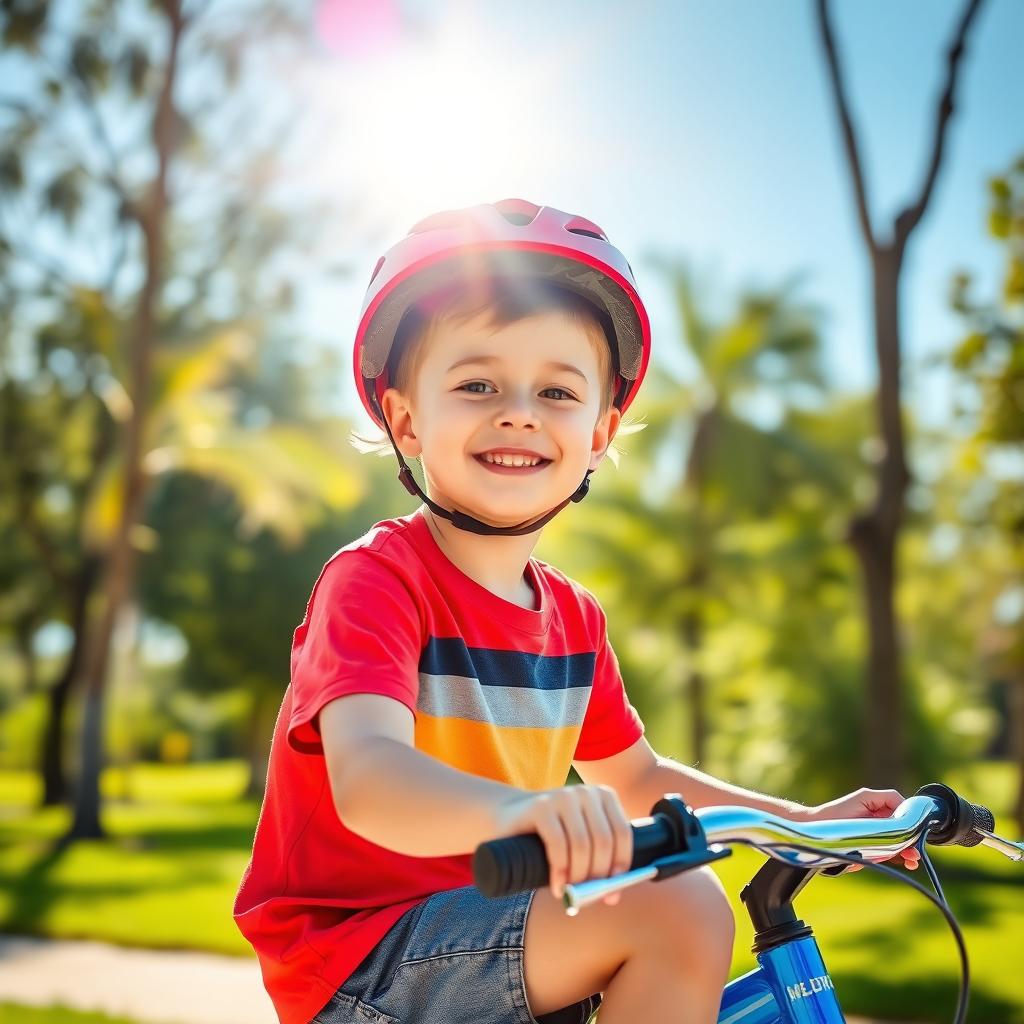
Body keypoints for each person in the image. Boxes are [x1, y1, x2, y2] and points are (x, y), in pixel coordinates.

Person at [233, 198, 920, 1024]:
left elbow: (636, 778)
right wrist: (527, 811)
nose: (517, 410)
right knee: (681, 907)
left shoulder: (574, 620)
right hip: (360, 963)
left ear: (600, 433)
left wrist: (803, 822)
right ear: (406, 420)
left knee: (673, 909)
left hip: (501, 929)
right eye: (477, 383)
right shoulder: (377, 582)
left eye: (557, 391)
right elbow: (371, 780)